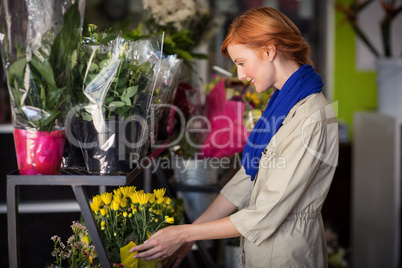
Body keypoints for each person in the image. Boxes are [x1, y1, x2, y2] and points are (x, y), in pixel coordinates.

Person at [130, 6, 339, 268]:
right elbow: (246, 180)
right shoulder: (283, 103)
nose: (240, 75)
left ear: (268, 51)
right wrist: (191, 234)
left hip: (287, 255)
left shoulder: (311, 115)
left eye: (241, 63)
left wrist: (185, 233)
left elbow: (265, 214)